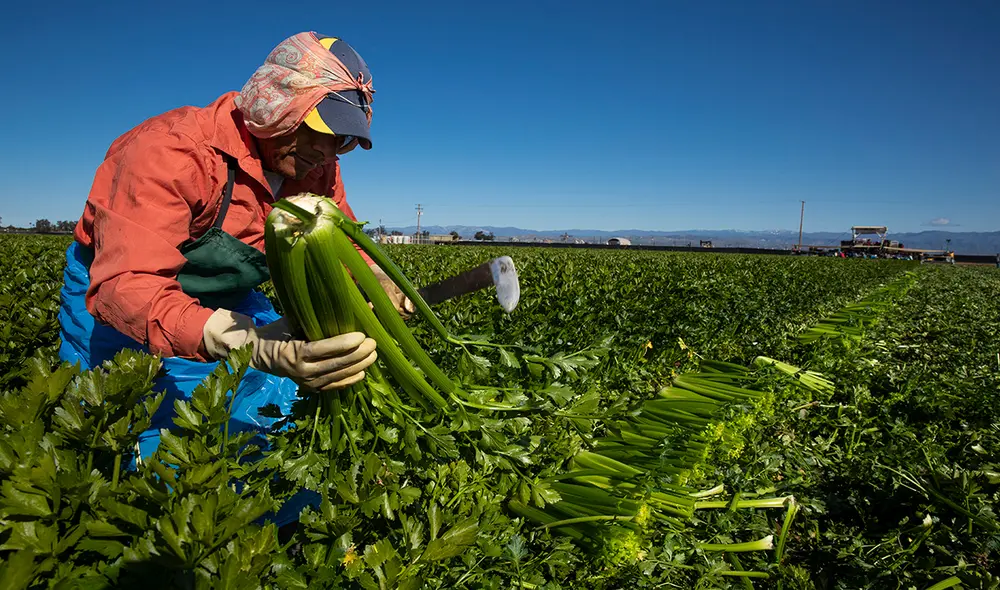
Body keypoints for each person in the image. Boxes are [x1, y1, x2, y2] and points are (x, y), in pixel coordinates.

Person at [58, 32, 411, 525]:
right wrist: (253, 343)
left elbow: (341, 232)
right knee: (142, 440)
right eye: (317, 130)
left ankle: (270, 521)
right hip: (124, 302)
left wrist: (375, 276)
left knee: (269, 412)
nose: (327, 151)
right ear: (276, 103)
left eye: (341, 139)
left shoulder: (316, 167)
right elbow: (128, 285)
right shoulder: (171, 151)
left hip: (229, 292)